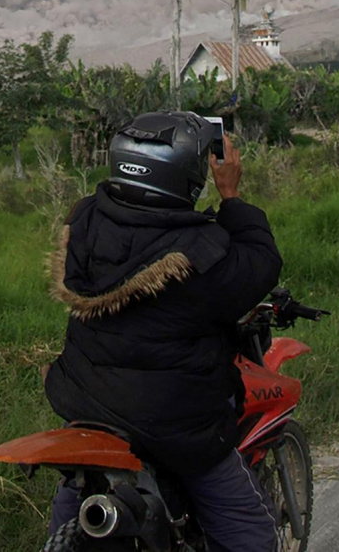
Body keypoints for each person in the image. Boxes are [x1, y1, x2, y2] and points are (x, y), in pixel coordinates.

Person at [43, 111, 283, 552]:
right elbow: (260, 266)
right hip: (172, 421)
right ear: (187, 178)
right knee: (253, 536)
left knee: (74, 501)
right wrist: (230, 194)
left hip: (86, 403)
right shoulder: (201, 254)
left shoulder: (86, 219)